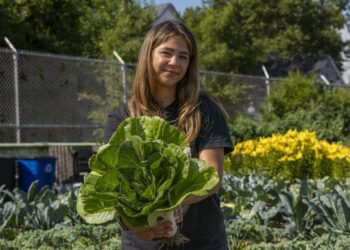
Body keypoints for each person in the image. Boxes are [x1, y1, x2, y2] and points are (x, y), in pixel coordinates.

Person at [104, 21, 233, 250]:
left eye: (183, 56)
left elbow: (212, 177)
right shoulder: (122, 119)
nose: (175, 62)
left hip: (202, 243)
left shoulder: (204, 111)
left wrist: (169, 203)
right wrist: (133, 225)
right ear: (149, 55)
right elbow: (114, 187)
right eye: (167, 53)